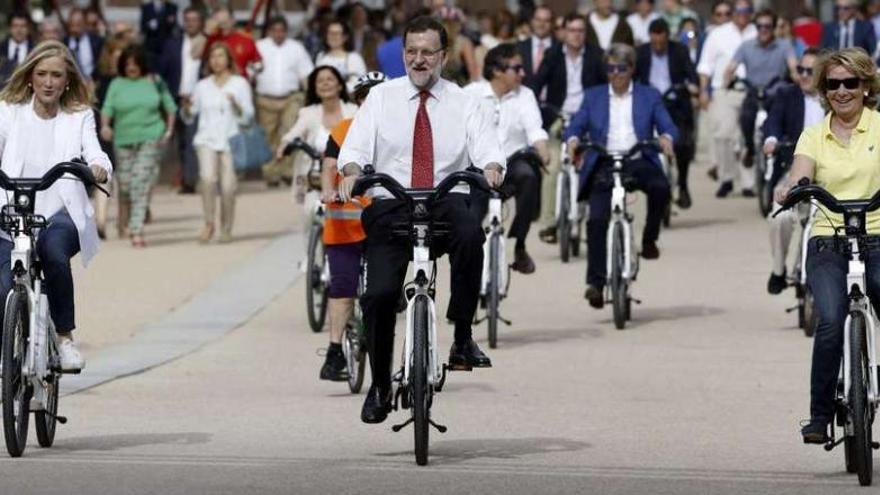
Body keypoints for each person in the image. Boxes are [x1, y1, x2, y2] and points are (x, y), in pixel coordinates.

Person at [336, 16, 504, 424]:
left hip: (445, 197)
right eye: (411, 51)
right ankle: (378, 386)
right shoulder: (381, 98)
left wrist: (493, 167)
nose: (418, 59)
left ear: (444, 56)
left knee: (470, 236)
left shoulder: (466, 101)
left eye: (428, 52)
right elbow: (354, 148)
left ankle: (462, 334)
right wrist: (354, 170)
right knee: (377, 295)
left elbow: (487, 148)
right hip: (392, 200)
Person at [773, 48, 880, 444]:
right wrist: (793, 188)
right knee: (832, 319)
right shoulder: (814, 134)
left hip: (878, 235)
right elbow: (802, 171)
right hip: (828, 238)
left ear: (866, 86)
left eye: (850, 83)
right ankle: (820, 415)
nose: (841, 91)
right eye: (832, 84)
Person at [0, 40, 112, 371]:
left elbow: (95, 151)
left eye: (56, 76)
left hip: (59, 214)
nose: (49, 82)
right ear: (30, 78)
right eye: (42, 74)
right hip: (11, 211)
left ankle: (64, 339)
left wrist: (98, 167)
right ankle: (6, 353)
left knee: (53, 254)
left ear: (67, 81)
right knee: (4, 283)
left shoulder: (79, 116)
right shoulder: (8, 110)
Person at [564, 43, 677, 309]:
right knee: (597, 219)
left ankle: (649, 240)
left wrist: (666, 138)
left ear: (632, 69)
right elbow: (577, 124)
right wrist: (572, 139)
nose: (616, 74)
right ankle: (596, 282)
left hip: (637, 158)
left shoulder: (649, 95)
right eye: (611, 68)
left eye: (621, 68)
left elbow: (667, 124)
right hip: (604, 160)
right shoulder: (593, 96)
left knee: (661, 188)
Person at [317, 71, 386, 381]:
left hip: (383, 222)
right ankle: (334, 353)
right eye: (365, 96)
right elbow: (330, 164)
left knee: (384, 288)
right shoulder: (343, 130)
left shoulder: (396, 133)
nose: (371, 102)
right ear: (357, 101)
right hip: (345, 225)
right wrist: (326, 189)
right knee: (342, 288)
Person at [466, 43, 549, 274]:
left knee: (529, 176)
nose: (523, 73)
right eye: (517, 68)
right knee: (471, 219)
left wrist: (542, 148)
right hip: (479, 167)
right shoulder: (471, 94)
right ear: (497, 71)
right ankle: (470, 261)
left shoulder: (526, 95)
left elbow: (534, 128)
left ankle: (519, 244)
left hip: (513, 162)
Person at [528, 13, 606, 244]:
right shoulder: (553, 55)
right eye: (571, 30)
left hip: (587, 118)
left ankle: (592, 217)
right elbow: (536, 85)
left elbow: (604, 89)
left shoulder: (595, 56)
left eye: (580, 30)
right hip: (558, 117)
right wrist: (537, 107)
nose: (576, 35)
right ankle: (550, 222)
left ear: (585, 33)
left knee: (593, 166)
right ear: (563, 32)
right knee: (552, 165)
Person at [100, 45, 176, 248]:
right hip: (123, 139)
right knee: (124, 186)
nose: (132, 68)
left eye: (135, 64)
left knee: (139, 184)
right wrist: (105, 125)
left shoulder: (154, 81)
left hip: (150, 137)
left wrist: (168, 131)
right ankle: (133, 216)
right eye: (127, 64)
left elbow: (170, 107)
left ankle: (136, 229)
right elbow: (107, 107)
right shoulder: (117, 84)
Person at [763, 48, 824, 295]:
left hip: (829, 173)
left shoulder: (835, 96)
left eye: (811, 71)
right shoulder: (786, 94)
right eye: (801, 70)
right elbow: (773, 121)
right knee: (780, 218)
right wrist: (771, 138)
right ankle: (779, 270)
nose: (805, 75)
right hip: (793, 168)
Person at [183, 42, 254, 244]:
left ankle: (226, 227)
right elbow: (190, 115)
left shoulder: (240, 84)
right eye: (212, 57)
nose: (216, 61)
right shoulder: (202, 86)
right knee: (207, 179)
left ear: (228, 59)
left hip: (231, 139)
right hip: (206, 139)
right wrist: (187, 108)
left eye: (220, 56)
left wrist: (236, 105)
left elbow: (248, 117)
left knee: (229, 187)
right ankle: (208, 222)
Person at [722, 8, 797, 190]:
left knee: (780, 122)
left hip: (775, 94)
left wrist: (797, 77)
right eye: (759, 26)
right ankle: (749, 147)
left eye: (768, 26)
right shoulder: (746, 46)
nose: (763, 30)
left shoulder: (784, 45)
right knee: (746, 117)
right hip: (753, 93)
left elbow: (793, 66)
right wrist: (727, 80)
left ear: (774, 27)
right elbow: (730, 68)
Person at [635, 18, 698, 209]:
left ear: (667, 38)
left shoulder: (679, 50)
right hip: (650, 102)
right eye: (655, 42)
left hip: (675, 102)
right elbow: (633, 77)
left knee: (682, 144)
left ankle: (683, 184)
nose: (658, 46)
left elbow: (691, 74)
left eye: (662, 42)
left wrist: (692, 86)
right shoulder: (641, 53)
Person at [697, 0, 756, 198]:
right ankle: (726, 178)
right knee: (723, 135)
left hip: (751, 91)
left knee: (749, 136)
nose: (742, 14)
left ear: (751, 12)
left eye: (746, 10)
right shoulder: (717, 34)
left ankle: (748, 183)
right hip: (724, 90)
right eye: (738, 10)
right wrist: (703, 91)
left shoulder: (758, 31)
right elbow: (705, 65)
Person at [278, 66, 357, 204]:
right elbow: (294, 133)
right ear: (315, 89)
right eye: (320, 81)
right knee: (311, 214)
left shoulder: (354, 111)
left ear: (339, 85)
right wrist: (284, 146)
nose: (325, 83)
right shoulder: (308, 113)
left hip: (348, 178)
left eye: (330, 79)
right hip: (314, 179)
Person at [256, 16, 314, 188]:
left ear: (286, 32)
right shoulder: (259, 47)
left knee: (290, 132)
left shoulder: (296, 48)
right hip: (265, 98)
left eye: (282, 30)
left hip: (291, 98)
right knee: (269, 136)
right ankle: (271, 173)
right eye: (275, 30)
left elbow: (305, 75)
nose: (278, 34)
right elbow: (251, 70)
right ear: (269, 31)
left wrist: (311, 98)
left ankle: (288, 172)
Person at [158, 6, 206, 195]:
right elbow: (163, 70)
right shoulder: (173, 44)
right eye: (187, 20)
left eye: (194, 19)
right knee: (180, 141)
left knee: (194, 139)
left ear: (201, 22)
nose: (191, 23)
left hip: (199, 99)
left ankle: (191, 180)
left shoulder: (207, 43)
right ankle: (186, 177)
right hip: (176, 98)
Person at [93, 32, 130, 238]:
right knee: (104, 174)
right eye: (114, 54)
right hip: (104, 131)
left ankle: (123, 223)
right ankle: (100, 220)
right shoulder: (100, 79)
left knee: (125, 180)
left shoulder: (135, 80)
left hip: (128, 131)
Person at [204, 7, 261, 78]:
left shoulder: (246, 40)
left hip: (239, 84)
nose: (222, 26)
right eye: (219, 23)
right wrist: (206, 33)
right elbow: (199, 60)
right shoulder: (210, 39)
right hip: (216, 84)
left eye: (225, 22)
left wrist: (251, 73)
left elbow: (258, 63)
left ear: (233, 20)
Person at [315, 21, 368, 89]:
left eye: (336, 33)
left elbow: (359, 84)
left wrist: (335, 89)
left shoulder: (354, 57)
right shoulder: (321, 57)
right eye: (330, 33)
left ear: (345, 37)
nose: (333, 36)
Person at [517, 6, 556, 90]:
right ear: (532, 21)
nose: (541, 24)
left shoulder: (560, 48)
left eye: (546, 21)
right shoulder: (519, 47)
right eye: (538, 20)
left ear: (552, 24)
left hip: (552, 101)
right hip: (525, 99)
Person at [64, 8, 104, 81]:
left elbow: (101, 63)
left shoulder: (97, 41)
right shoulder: (64, 42)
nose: (75, 26)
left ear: (85, 23)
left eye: (78, 22)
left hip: (92, 83)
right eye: (72, 22)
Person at [0, 12, 34, 87]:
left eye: (23, 26)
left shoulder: (35, 49)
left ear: (29, 28)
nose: (19, 30)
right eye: (15, 26)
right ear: (9, 28)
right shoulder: (1, 47)